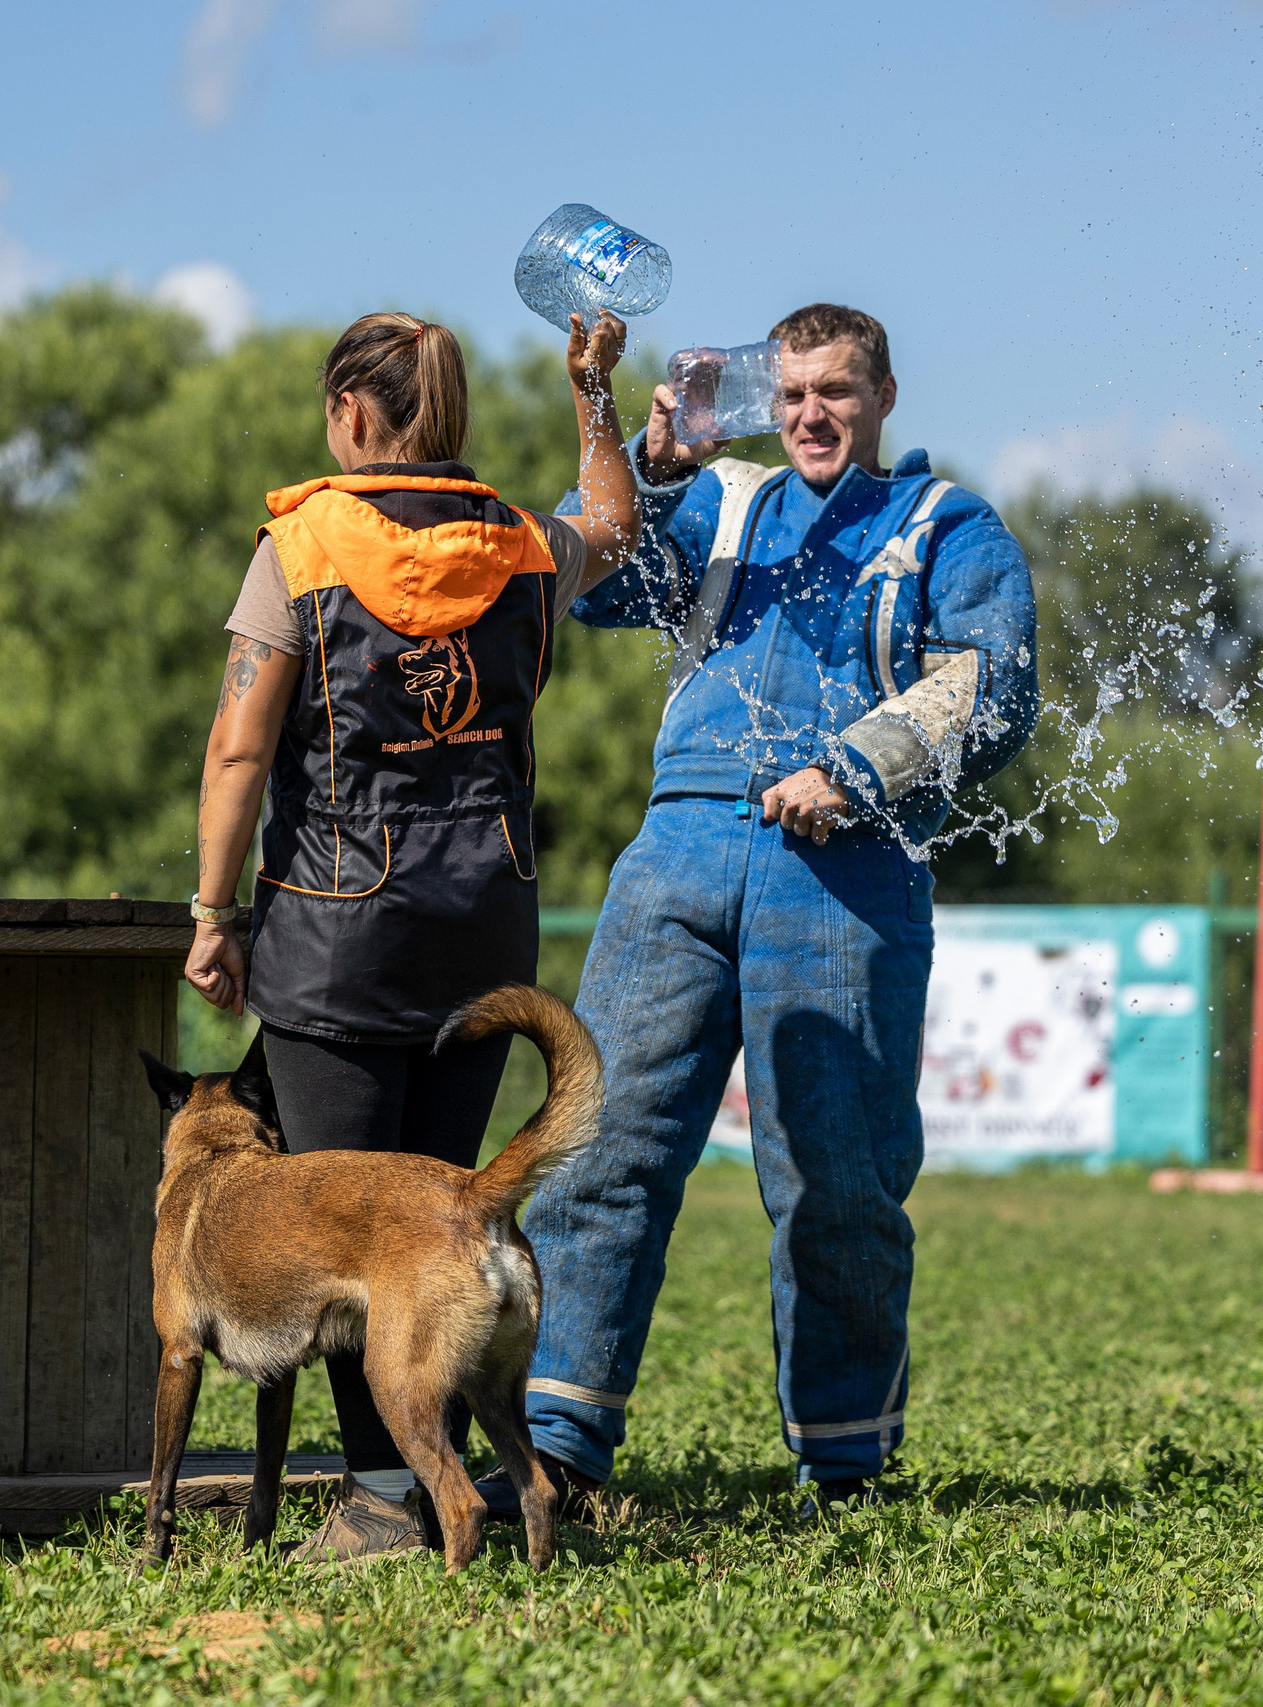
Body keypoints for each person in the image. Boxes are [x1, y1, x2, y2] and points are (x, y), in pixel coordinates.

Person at [482, 303, 1039, 1519]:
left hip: (845, 870)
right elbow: (599, 583)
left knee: (835, 1185)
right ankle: (555, 1450)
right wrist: (636, 452)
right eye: (790, 395)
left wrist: (856, 768)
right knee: (599, 1151)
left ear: (882, 394)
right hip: (675, 855)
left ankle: (844, 1468)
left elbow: (994, 689)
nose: (809, 415)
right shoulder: (723, 501)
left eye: (834, 390)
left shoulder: (947, 525)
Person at [185, 307, 640, 1561]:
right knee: (439, 1214)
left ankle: (384, 1496)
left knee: (347, 1231)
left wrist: (213, 914)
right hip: (481, 926)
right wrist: (593, 392)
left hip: (333, 933)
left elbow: (237, 749)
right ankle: (444, 1485)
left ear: (349, 412)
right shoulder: (523, 543)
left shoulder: (302, 545)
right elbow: (615, 520)